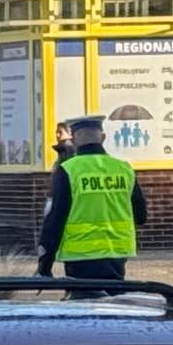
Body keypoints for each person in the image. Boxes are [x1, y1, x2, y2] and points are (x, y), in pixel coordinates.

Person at [38, 114, 146, 282]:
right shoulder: (124, 169)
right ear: (103, 137)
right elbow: (141, 216)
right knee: (113, 304)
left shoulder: (68, 170)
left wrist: (45, 265)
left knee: (84, 303)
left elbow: (56, 219)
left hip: (79, 257)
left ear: (74, 139)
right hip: (116, 255)